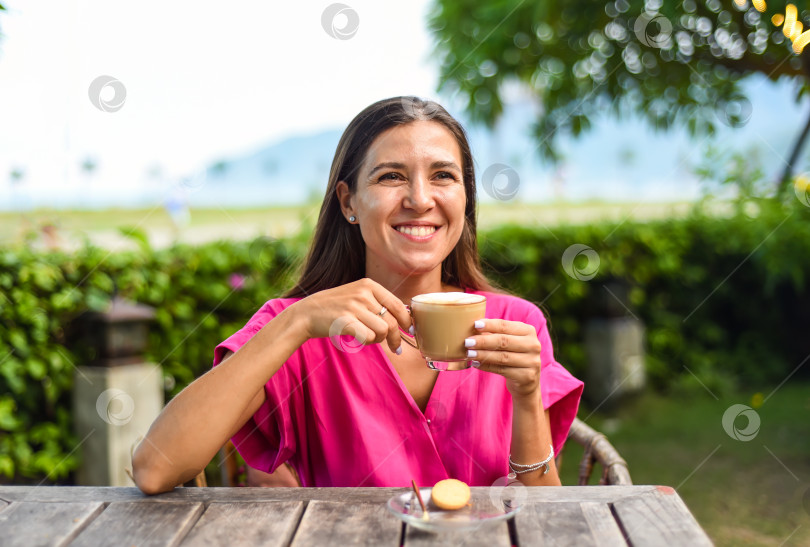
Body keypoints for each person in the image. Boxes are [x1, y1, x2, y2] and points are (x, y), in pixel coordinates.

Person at [132, 97, 583, 494]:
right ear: (348, 202)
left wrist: (527, 396)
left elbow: (542, 505)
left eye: (443, 175)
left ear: (465, 199)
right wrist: (295, 323)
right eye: (391, 177)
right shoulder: (301, 328)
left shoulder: (516, 323)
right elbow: (155, 469)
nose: (420, 199)